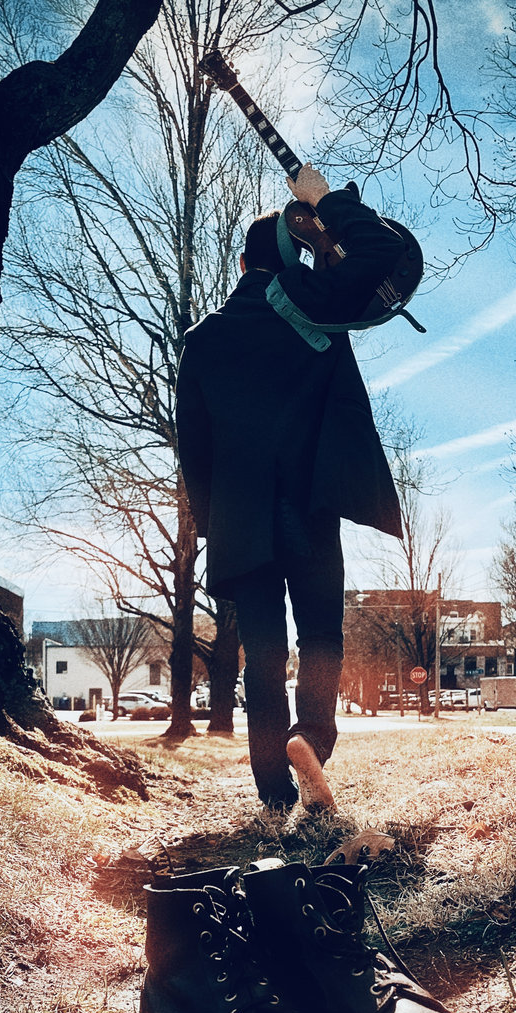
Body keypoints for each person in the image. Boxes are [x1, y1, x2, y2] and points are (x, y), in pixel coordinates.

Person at [176, 164, 405, 811]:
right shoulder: (316, 307)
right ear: (292, 256)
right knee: (322, 637)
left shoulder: (202, 341)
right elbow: (381, 254)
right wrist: (325, 201)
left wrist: (213, 525)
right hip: (309, 505)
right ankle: (312, 740)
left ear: (243, 264)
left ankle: (275, 796)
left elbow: (194, 451)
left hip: (241, 519)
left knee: (264, 655)